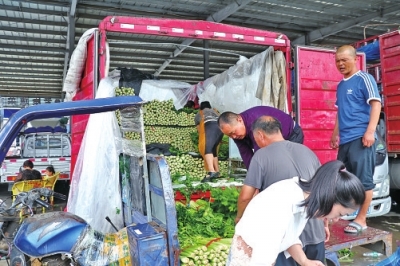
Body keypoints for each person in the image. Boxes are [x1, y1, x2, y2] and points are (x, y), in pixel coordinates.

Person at [226, 160, 366, 265]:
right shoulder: (281, 206)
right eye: (340, 214)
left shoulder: (305, 196)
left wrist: (305, 261)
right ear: (329, 198)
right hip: (248, 257)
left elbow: (290, 236)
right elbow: (262, 259)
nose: (335, 220)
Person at [235, 116, 327, 266]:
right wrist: (325, 224)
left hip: (285, 239)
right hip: (315, 232)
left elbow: (246, 197)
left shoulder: (261, 156)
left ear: (260, 135)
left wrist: (240, 218)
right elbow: (322, 190)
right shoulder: (307, 151)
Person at [330, 45, 381, 234]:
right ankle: (344, 212)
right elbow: (340, 111)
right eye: (337, 60)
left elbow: (376, 104)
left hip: (361, 138)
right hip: (345, 140)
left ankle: (362, 219)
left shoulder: (364, 79)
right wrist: (335, 133)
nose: (340, 63)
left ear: (354, 59)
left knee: (364, 181)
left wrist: (370, 131)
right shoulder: (341, 85)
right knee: (341, 179)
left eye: (344, 59)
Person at [218, 106, 303, 169]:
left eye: (233, 132)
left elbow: (261, 155)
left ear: (239, 120)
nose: (234, 136)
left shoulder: (255, 122)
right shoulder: (236, 133)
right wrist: (252, 176)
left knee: (287, 170)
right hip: (274, 144)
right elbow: (246, 154)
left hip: (292, 134)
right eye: (229, 135)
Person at [194, 101, 224, 182]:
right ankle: (217, 172)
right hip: (221, 129)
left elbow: (200, 130)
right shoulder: (215, 111)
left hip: (210, 126)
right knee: (214, 150)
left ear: (201, 107)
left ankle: (211, 171)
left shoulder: (199, 114)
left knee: (208, 148)